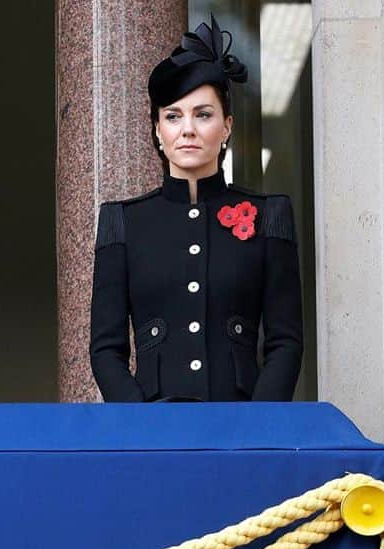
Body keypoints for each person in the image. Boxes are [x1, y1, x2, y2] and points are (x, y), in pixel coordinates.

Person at [89, 17, 302, 402]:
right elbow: (106, 350)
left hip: (243, 427)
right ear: (157, 129)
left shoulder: (270, 214)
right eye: (173, 116)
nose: (188, 129)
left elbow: (285, 341)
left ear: (227, 127)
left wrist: (259, 427)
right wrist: (141, 427)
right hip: (153, 430)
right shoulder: (123, 222)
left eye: (203, 114)